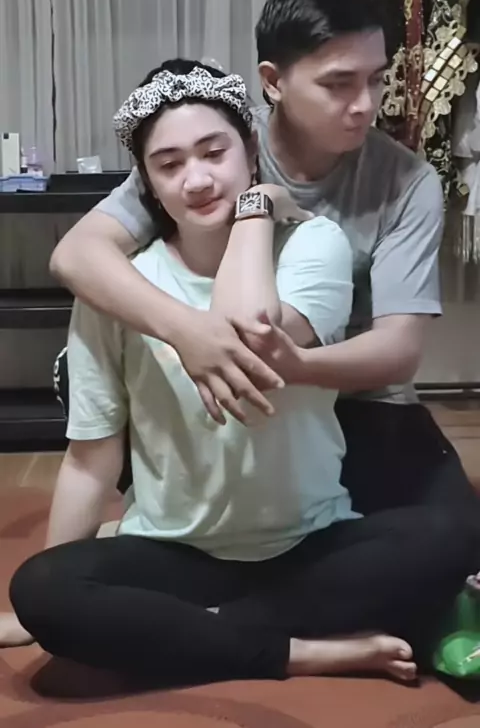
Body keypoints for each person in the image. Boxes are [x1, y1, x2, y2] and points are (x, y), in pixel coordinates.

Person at [3, 62, 478, 685]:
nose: (197, 179)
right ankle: (296, 650)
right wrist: (45, 602)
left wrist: (256, 210)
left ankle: (188, 632)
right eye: (169, 164)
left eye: (214, 152)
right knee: (41, 589)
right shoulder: (121, 291)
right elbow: (91, 459)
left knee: (453, 535)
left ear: (250, 151)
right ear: (146, 183)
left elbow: (246, 330)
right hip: (174, 549)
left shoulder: (313, 245)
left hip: (308, 545)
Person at [48, 0, 478, 521]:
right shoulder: (211, 143)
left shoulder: (406, 182)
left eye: (375, 80)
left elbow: (397, 350)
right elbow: (77, 254)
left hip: (356, 401)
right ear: (273, 82)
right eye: (338, 84)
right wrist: (188, 333)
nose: (365, 104)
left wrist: (292, 365)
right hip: (209, 394)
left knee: (451, 539)